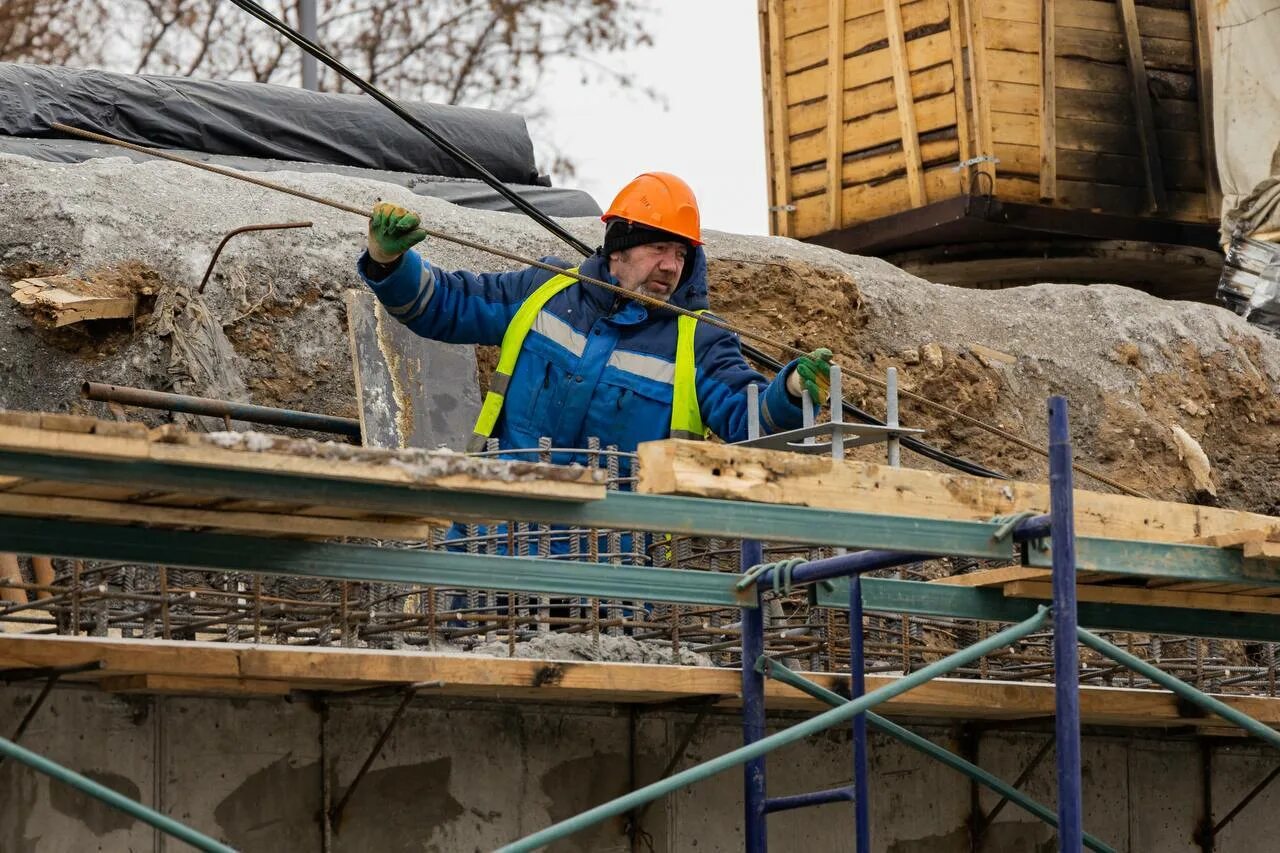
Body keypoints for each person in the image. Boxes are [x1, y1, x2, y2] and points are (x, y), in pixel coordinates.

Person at [356, 171, 833, 485]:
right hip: (499, 534)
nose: (671, 266)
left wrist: (789, 393)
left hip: (614, 567)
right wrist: (390, 261)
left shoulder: (698, 341)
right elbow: (446, 304)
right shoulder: (545, 291)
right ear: (618, 249)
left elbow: (747, 421)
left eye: (682, 254)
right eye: (658, 249)